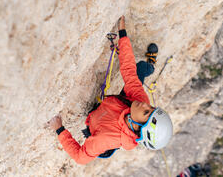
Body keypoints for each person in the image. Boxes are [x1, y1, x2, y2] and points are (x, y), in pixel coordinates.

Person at [48, 16, 173, 164]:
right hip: (122, 104)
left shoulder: (105, 139)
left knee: (135, 75)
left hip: (100, 119)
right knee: (139, 68)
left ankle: (149, 66)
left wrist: (59, 130)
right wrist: (123, 35)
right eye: (152, 108)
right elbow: (128, 71)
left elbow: (81, 158)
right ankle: (149, 67)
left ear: (137, 127)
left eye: (146, 112)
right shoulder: (140, 101)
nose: (146, 104)